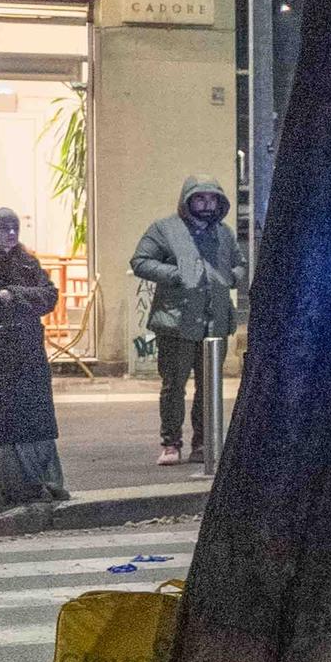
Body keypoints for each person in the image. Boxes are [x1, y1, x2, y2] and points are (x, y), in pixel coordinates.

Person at [129, 175, 246, 466]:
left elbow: (239, 263)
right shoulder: (165, 229)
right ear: (187, 200)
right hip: (176, 321)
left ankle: (203, 444)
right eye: (200, 198)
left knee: (210, 387)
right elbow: (140, 261)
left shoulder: (225, 233)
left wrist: (232, 277)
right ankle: (171, 443)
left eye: (212, 199)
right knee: (173, 386)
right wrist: (174, 274)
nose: (206, 205)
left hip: (214, 321)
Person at [0, 208, 65, 504]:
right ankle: (12, 487)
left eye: (14, 228)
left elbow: (49, 296)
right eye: (4, 228)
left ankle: (43, 482)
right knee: (2, 419)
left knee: (34, 417)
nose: (11, 234)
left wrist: (11, 294)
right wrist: (20, 300)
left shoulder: (28, 262)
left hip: (27, 348)